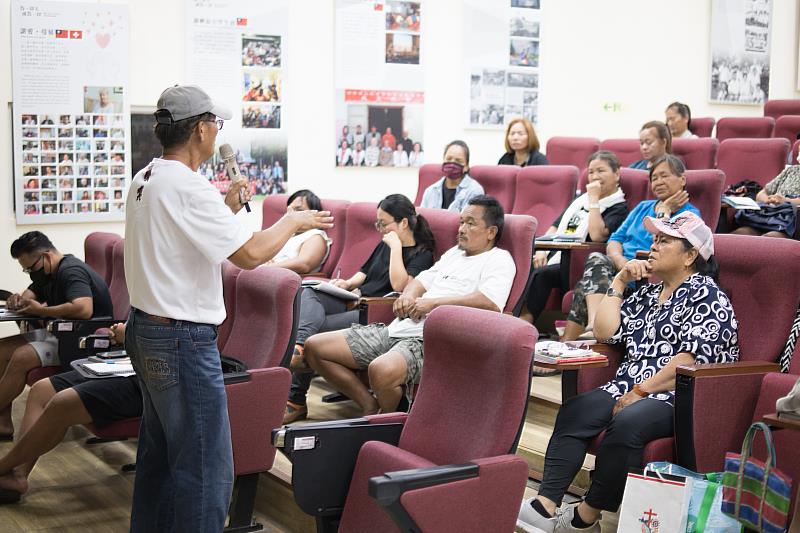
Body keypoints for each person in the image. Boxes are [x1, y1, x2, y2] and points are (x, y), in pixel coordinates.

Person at [124, 84, 332, 532]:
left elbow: (183, 240)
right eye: (215, 123)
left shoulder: (148, 177)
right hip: (179, 338)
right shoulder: (187, 186)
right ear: (200, 128)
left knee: (160, 458)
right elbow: (252, 255)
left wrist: (226, 206)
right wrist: (293, 220)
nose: (217, 131)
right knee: (204, 468)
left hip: (146, 328)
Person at [517, 212, 739, 533]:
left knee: (628, 422)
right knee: (576, 410)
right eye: (655, 239)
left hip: (679, 395)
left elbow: (692, 358)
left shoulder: (705, 293)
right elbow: (605, 332)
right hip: (627, 385)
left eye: (664, 241)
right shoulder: (649, 292)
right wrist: (619, 282)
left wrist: (640, 391)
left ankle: (585, 517)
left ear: (691, 255)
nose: (654, 246)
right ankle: (546, 504)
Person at [305, 195, 515, 414]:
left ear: (491, 232)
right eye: (461, 221)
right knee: (314, 347)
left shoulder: (499, 259)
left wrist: (432, 305)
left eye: (470, 223)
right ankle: (369, 406)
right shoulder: (454, 254)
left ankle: (385, 423)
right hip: (397, 328)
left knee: (381, 370)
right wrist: (407, 295)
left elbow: (489, 303)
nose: (461, 228)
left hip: (429, 339)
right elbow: (421, 280)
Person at [284, 194, 435, 423]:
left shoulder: (422, 255)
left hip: (375, 312)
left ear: (403, 223)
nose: (380, 229)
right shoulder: (384, 243)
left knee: (315, 328)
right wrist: (346, 284)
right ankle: (300, 346)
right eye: (378, 223)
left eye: (383, 224)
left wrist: (396, 248)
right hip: (354, 299)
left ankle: (296, 398)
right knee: (310, 291)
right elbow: (363, 273)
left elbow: (401, 286)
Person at [563, 154, 700, 341]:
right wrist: (621, 262)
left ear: (682, 179)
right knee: (592, 271)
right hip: (622, 269)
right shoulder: (643, 206)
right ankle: (571, 346)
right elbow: (615, 239)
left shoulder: (690, 215)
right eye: (654, 178)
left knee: (587, 283)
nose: (658, 181)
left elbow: (659, 245)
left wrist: (664, 211)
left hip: (645, 275)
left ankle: (586, 332)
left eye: (664, 176)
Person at [0, 323, 140, 504]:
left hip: (149, 381)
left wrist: (128, 335)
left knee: (62, 402)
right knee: (42, 389)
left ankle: (4, 466)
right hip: (128, 363)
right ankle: (18, 474)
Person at [0, 232, 113, 440]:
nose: (30, 274)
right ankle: (3, 422)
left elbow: (83, 309)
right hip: (60, 332)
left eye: (31, 268)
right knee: (2, 350)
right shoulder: (46, 272)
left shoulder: (71, 271)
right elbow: (30, 295)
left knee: (21, 357)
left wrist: (41, 311)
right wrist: (18, 301)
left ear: (47, 256)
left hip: (80, 338)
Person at [524, 151, 628, 325]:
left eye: (601, 171)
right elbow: (555, 226)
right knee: (526, 264)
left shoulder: (619, 207)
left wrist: (594, 199)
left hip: (578, 263)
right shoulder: (580, 200)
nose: (595, 176)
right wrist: (542, 251)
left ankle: (525, 319)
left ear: (617, 174)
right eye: (591, 172)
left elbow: (597, 235)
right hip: (556, 255)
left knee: (542, 274)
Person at [264, 190, 332, 274]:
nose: (292, 215)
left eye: (298, 210)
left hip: (283, 280)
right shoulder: (288, 234)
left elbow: (303, 265)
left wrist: (266, 268)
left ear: (314, 214)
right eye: (290, 210)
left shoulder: (315, 236)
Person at [733, 165, 800, 238]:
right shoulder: (792, 170)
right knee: (739, 234)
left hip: (790, 223)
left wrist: (785, 201)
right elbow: (762, 193)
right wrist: (768, 199)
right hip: (768, 215)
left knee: (768, 239)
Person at [419, 140, 484, 212]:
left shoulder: (474, 191)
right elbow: (422, 219)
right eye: (449, 159)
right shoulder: (430, 191)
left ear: (466, 167)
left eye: (458, 161)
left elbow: (468, 221)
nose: (452, 164)